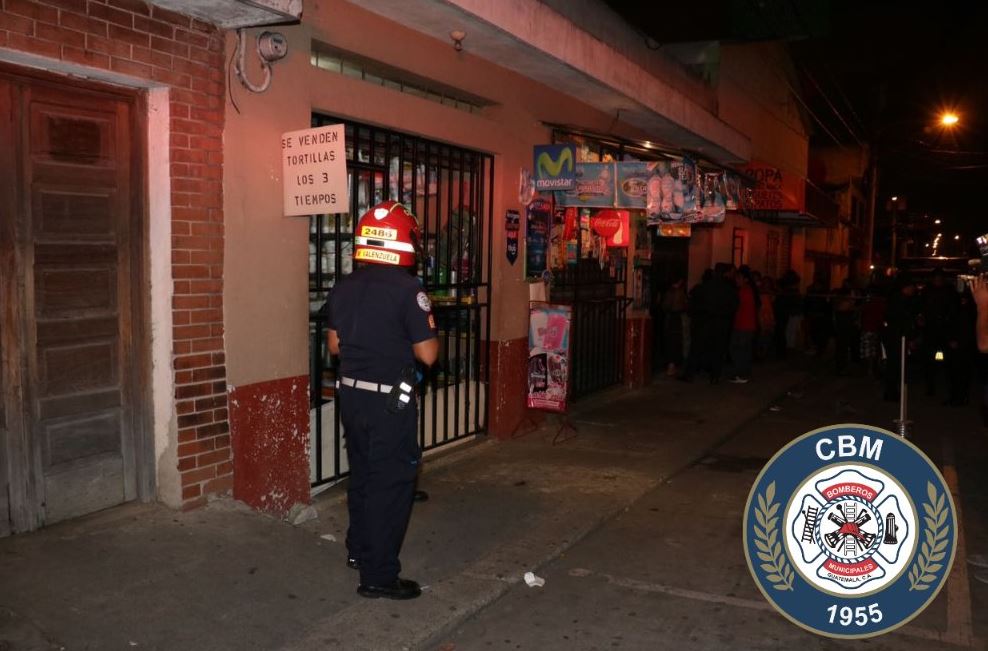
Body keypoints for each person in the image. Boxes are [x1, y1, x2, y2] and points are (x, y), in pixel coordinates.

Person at [326, 201, 439, 600]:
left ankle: (359, 551)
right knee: (391, 484)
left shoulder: (344, 286)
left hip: (352, 398)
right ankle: (378, 574)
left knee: (362, 475)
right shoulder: (410, 290)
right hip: (391, 402)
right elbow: (427, 355)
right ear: (403, 239)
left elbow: (335, 346)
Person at [729, 266, 758, 383]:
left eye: (739, 278)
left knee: (737, 350)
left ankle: (740, 374)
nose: (737, 280)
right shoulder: (749, 289)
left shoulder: (744, 291)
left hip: (743, 325)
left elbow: (737, 307)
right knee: (744, 350)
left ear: (745, 279)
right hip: (746, 325)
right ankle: (744, 373)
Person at [660, 276, 688, 376]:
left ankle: (671, 365)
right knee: (676, 341)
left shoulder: (670, 292)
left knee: (671, 341)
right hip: (677, 318)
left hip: (671, 318)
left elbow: (665, 306)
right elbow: (685, 305)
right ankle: (672, 366)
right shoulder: (679, 292)